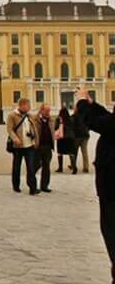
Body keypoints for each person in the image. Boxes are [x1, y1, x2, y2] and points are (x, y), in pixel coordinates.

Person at [74, 87, 115, 282]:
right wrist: (93, 104)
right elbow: (108, 120)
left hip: (112, 188)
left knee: (112, 232)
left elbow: (95, 123)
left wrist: (82, 103)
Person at [6, 98, 40, 195]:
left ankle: (32, 188)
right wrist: (15, 138)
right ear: (21, 105)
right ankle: (16, 185)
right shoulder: (12, 115)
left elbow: (37, 119)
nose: (29, 108)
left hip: (29, 145)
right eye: (27, 106)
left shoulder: (29, 116)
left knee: (31, 167)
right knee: (17, 167)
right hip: (18, 146)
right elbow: (9, 129)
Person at [33, 104, 56, 193]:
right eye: (46, 111)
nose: (48, 113)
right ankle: (31, 182)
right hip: (38, 146)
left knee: (46, 166)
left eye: (49, 111)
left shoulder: (51, 120)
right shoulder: (35, 120)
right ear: (41, 111)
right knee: (36, 165)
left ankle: (44, 186)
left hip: (48, 147)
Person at [56, 106, 77, 173]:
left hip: (61, 138)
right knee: (71, 153)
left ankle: (60, 168)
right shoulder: (71, 119)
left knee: (60, 153)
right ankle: (74, 168)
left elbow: (56, 127)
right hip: (70, 138)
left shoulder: (59, 119)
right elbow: (74, 127)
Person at [72, 106, 91, 174]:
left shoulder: (74, 116)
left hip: (77, 136)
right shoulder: (85, 116)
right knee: (84, 151)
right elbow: (89, 125)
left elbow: (72, 126)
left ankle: (73, 165)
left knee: (74, 151)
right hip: (85, 135)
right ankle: (86, 167)